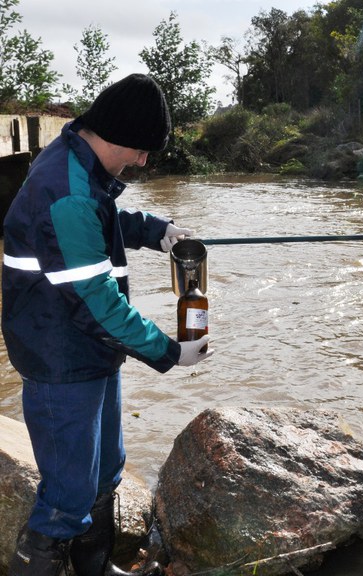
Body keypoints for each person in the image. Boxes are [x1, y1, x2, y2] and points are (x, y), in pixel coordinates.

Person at [2, 74, 213, 575]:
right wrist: (168, 351)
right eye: (141, 151)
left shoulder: (80, 165)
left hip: (89, 350)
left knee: (105, 471)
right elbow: (97, 303)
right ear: (117, 136)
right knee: (67, 495)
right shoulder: (69, 191)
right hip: (60, 358)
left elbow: (97, 223)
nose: (142, 161)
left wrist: (153, 230)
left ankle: (95, 569)